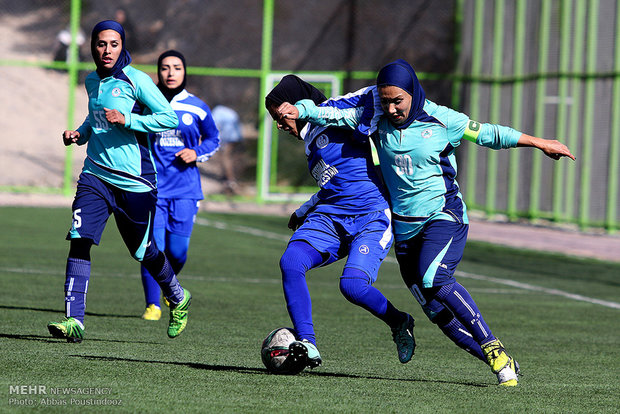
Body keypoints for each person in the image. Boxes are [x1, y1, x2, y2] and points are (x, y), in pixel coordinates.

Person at [276, 59, 575, 386]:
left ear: (413, 93)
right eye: (385, 101)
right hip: (406, 229)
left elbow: (489, 134)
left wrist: (539, 142)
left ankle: (492, 344)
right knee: (433, 310)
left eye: (397, 101)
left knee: (435, 276)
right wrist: (303, 110)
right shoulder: (374, 120)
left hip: (442, 215)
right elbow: (329, 113)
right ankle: (503, 365)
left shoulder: (442, 118)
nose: (391, 108)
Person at [47, 21, 192, 343]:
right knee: (79, 238)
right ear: (92, 47)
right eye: (101, 44)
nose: (107, 50)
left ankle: (178, 296)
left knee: (144, 252)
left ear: (122, 46)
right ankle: (74, 321)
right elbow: (94, 118)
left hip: (135, 182)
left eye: (113, 44)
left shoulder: (136, 80)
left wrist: (129, 119)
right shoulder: (91, 80)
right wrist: (79, 134)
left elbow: (167, 118)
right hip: (95, 175)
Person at [265, 75, 416, 371]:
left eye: (281, 116)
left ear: (295, 105)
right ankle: (307, 342)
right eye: (276, 120)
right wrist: (304, 209)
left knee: (353, 286)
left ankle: (399, 321)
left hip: (372, 215)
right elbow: (333, 183)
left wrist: (307, 109)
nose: (280, 125)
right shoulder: (310, 141)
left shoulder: (334, 110)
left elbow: (377, 91)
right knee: (291, 262)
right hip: (330, 215)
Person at [140, 50, 220, 321]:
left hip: (186, 190)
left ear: (185, 72)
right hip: (152, 189)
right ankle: (153, 304)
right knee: (153, 248)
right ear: (158, 72)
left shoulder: (197, 106)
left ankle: (169, 284)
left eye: (176, 67)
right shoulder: (146, 104)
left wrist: (196, 153)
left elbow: (213, 139)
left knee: (178, 252)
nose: (171, 73)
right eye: (165, 68)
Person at [211, 105, 243, 194]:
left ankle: (230, 180)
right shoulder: (222, 110)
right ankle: (228, 178)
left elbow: (215, 127)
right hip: (235, 136)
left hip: (229, 136)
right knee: (230, 157)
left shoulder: (216, 112)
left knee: (225, 157)